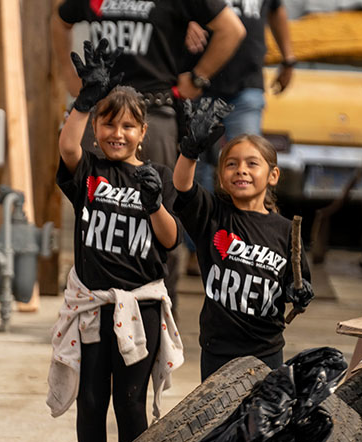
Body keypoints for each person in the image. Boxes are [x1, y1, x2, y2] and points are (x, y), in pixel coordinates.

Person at [47, 40, 184, 442]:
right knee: (90, 400)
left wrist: (154, 204)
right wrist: (85, 101)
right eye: (108, 123)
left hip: (138, 307)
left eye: (129, 126)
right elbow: (68, 147)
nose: (118, 133)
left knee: (129, 401)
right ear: (96, 128)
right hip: (93, 304)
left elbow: (170, 240)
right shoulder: (91, 171)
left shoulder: (158, 177)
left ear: (144, 132)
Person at [51, 0, 246, 313]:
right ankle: (95, 308)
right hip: (103, 112)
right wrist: (69, 76)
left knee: (161, 211)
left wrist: (198, 77)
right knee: (95, 214)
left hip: (153, 117)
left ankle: (161, 312)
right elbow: (60, 19)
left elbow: (231, 29)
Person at [171, 99, 313, 381]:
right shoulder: (210, 216)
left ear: (273, 175)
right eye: (232, 164)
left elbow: (296, 285)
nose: (241, 170)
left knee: (261, 423)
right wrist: (190, 151)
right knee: (218, 422)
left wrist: (301, 294)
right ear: (222, 179)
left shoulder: (286, 231)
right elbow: (182, 187)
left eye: (252, 164)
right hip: (218, 351)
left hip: (267, 352)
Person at [181, 0, 296, 275]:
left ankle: (250, 246)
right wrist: (184, 23)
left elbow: (276, 11)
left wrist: (288, 58)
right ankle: (198, 249)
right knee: (200, 170)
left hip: (247, 85)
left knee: (251, 166)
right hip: (201, 83)